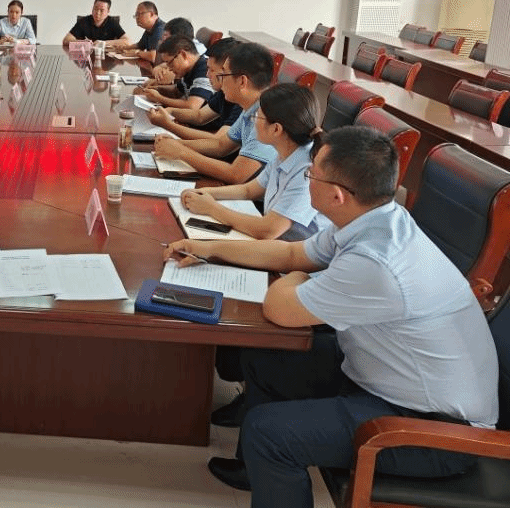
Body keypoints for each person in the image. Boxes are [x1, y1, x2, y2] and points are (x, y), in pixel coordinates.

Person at [165, 126, 498, 508]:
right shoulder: (374, 218)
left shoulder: (376, 261)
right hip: (390, 378)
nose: (306, 179)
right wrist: (207, 248)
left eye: (311, 174)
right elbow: (291, 254)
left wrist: (298, 278)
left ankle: (267, 459)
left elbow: (279, 308)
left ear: (337, 195)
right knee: (265, 358)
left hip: (434, 429)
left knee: (268, 433)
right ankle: (256, 471)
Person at [178, 83, 327, 241]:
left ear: (276, 129)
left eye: (258, 117)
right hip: (275, 244)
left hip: (290, 251)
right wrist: (204, 193)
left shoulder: (307, 172)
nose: (254, 122)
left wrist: (211, 208)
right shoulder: (286, 152)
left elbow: (268, 231)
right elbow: (248, 190)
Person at [153, 41, 276, 184]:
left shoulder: (266, 116)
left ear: (242, 82)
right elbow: (220, 145)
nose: (219, 79)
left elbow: (236, 174)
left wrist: (181, 152)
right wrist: (176, 144)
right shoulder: (251, 108)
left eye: (224, 74)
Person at [152, 37, 242, 137]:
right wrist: (170, 111)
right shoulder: (223, 92)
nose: (207, 74)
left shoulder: (243, 103)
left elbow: (219, 142)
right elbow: (200, 116)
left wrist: (168, 125)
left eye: (212, 70)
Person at [140, 35, 214, 111]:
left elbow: (192, 106)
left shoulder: (204, 70)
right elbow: (176, 90)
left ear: (183, 55)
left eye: (170, 62)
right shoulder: (190, 69)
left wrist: (159, 98)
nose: (169, 68)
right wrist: (157, 88)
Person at [62, 0, 127, 45]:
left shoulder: (112, 22)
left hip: (107, 56)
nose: (97, 13)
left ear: (108, 12)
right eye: (95, 9)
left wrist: (103, 43)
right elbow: (66, 40)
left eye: (102, 10)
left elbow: (127, 41)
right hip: (87, 56)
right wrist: (83, 42)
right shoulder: (84, 21)